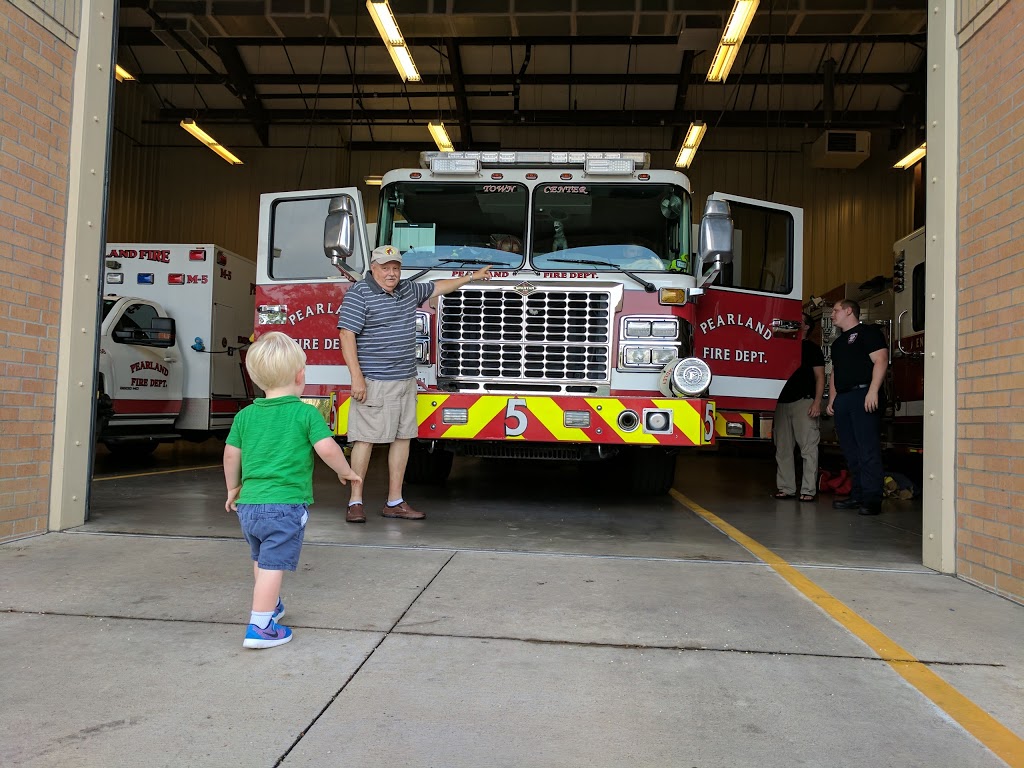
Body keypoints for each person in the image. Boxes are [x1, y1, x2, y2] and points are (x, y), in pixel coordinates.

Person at [224, 331, 363, 649]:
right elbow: (327, 448)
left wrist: (233, 487)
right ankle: (260, 626)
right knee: (274, 564)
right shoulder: (305, 413)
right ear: (301, 374)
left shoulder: (245, 415)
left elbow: (232, 454)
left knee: (261, 557)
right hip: (284, 505)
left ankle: (270, 607)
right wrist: (346, 472)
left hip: (249, 506)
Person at [338, 244, 491, 523]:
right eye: (385, 268)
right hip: (374, 381)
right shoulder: (359, 294)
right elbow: (346, 335)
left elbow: (438, 287)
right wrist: (356, 377)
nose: (391, 273)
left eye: (395, 267)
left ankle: (394, 501)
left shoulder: (408, 290)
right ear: (373, 269)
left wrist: (472, 277)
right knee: (365, 440)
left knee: (402, 438)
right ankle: (355, 501)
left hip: (406, 380)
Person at [825, 299, 889, 515]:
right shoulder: (838, 343)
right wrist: (833, 398)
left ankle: (872, 499)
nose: (832, 315)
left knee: (867, 448)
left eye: (835, 310)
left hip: (863, 394)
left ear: (849, 310)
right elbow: (835, 372)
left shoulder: (868, 333)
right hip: (844, 398)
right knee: (850, 450)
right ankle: (858, 495)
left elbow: (881, 360)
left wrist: (872, 391)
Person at [772, 313, 825, 502]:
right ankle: (786, 488)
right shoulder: (781, 346)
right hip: (780, 403)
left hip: (804, 402)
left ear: (807, 327)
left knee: (808, 448)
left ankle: (808, 490)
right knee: (783, 449)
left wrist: (817, 402)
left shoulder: (812, 349)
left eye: (799, 320)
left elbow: (820, 377)